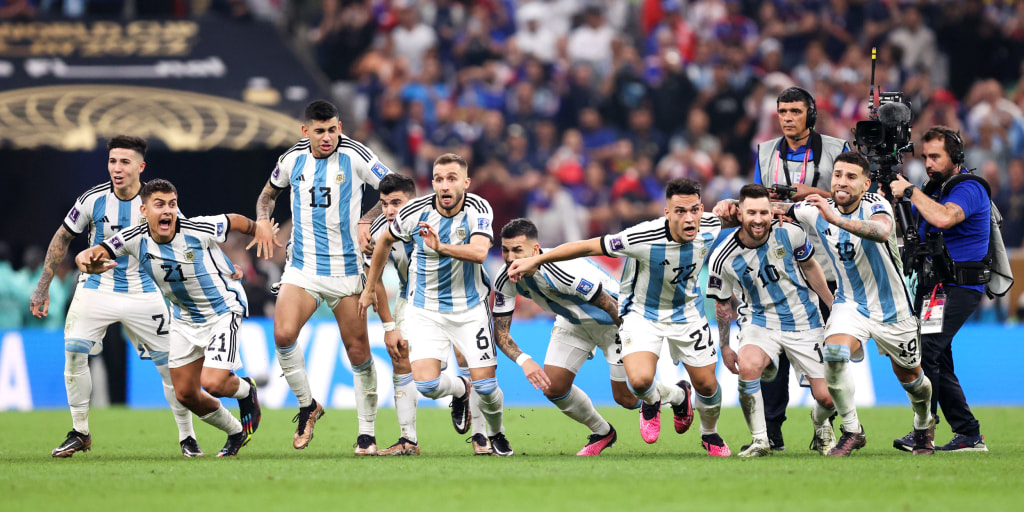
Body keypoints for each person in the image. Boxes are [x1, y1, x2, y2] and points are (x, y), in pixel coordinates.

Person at [509, 178, 731, 457]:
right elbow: (589, 246)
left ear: (702, 209)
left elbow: (748, 216)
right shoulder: (643, 236)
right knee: (638, 383)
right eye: (680, 211)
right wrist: (538, 260)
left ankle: (709, 433)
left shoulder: (710, 225)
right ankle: (630, 415)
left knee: (706, 385)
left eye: (694, 210)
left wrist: (739, 206)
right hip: (641, 313)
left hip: (685, 313)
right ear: (667, 212)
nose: (689, 218)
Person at [29, 136, 199, 458]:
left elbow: (185, 242)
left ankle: (187, 437)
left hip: (145, 291)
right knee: (75, 352)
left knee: (170, 367)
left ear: (140, 166)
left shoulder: (157, 201)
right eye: (112, 161)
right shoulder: (92, 200)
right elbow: (63, 236)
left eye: (124, 162)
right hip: (96, 288)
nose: (117, 168)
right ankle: (80, 431)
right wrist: (43, 286)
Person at [74, 179, 262, 457]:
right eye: (159, 204)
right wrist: (84, 259)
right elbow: (96, 251)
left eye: (172, 204)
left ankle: (247, 390)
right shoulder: (133, 237)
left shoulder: (196, 228)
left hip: (221, 311)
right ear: (144, 210)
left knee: (213, 383)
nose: (167, 211)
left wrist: (262, 230)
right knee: (185, 394)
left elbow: (233, 220)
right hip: (184, 319)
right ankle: (235, 431)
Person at [250, 100, 392, 455]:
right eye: (319, 131)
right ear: (306, 131)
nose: (327, 137)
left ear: (339, 127)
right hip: (303, 267)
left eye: (332, 130)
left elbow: (394, 190)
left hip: (346, 269)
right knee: (282, 334)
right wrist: (264, 220)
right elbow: (267, 196)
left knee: (358, 352)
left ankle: (366, 433)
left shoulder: (357, 155)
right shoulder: (291, 159)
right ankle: (307, 406)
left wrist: (366, 218)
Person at [359, 153, 513, 456]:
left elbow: (481, 252)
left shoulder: (479, 208)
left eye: (452, 178)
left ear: (465, 183)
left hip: (470, 307)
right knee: (427, 385)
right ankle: (460, 390)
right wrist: (367, 290)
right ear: (432, 183)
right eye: (439, 179)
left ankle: (494, 432)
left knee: (487, 386)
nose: (445, 185)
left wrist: (441, 247)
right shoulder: (413, 212)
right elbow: (384, 243)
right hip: (425, 308)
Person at [789, 152, 935, 456]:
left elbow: (881, 230)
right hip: (850, 304)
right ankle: (853, 430)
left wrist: (837, 220)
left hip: (893, 309)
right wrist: (733, 209)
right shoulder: (816, 209)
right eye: (838, 174)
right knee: (834, 353)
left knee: (912, 380)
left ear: (865, 183)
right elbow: (775, 210)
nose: (842, 181)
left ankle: (924, 423)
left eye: (851, 176)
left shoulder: (876, 205)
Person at [748, 86, 849, 450]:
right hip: (779, 265)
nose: (788, 118)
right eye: (782, 111)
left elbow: (852, 196)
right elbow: (755, 199)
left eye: (795, 111)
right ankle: (772, 432)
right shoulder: (764, 151)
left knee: (827, 354)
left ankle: (825, 424)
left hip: (826, 263)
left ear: (811, 114)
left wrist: (812, 193)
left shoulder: (838, 149)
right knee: (774, 356)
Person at [708, 184, 837, 457]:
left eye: (764, 213)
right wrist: (726, 346)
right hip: (759, 321)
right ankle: (760, 440)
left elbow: (811, 266)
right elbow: (721, 303)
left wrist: (831, 306)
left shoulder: (791, 232)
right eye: (751, 212)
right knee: (749, 367)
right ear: (739, 214)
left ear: (772, 212)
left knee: (828, 397)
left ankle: (820, 420)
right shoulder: (722, 257)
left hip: (805, 320)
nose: (758, 219)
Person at [492, 218, 640, 456]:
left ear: (535, 250)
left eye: (518, 251)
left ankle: (676, 395)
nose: (510, 258)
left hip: (612, 320)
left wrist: (630, 334)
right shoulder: (504, 277)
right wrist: (524, 360)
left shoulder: (559, 268)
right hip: (572, 321)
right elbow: (500, 331)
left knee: (626, 398)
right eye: (505, 250)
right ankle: (603, 432)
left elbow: (607, 303)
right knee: (554, 388)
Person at [889, 127, 990, 452]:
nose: (928, 163)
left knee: (928, 349)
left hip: (961, 284)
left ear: (956, 158)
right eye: (925, 157)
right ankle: (968, 434)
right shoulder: (934, 188)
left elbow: (946, 218)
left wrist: (909, 193)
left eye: (936, 156)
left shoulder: (969, 188)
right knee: (938, 357)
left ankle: (924, 432)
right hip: (937, 288)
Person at [364, 173, 421, 455]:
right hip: (408, 298)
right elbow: (373, 279)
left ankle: (483, 435)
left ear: (414, 199)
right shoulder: (377, 230)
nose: (389, 210)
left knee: (452, 366)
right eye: (385, 203)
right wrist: (388, 326)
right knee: (401, 357)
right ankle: (408, 440)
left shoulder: (436, 217)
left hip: (454, 299)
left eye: (396, 203)